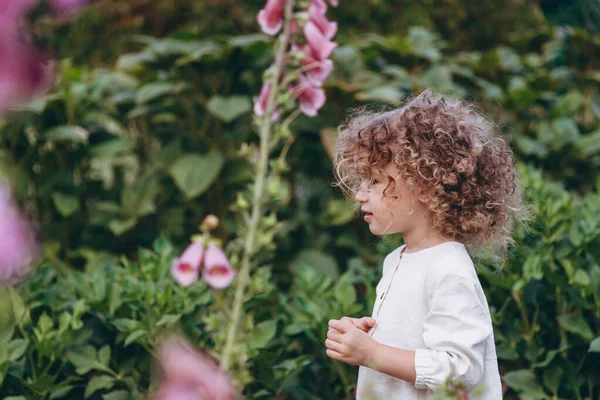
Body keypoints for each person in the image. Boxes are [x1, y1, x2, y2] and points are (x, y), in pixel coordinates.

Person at [325, 89, 526, 399]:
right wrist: (369, 336)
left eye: (376, 181)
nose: (360, 194)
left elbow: (460, 371)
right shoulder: (398, 259)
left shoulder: (449, 269)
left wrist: (373, 353)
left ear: (424, 184)